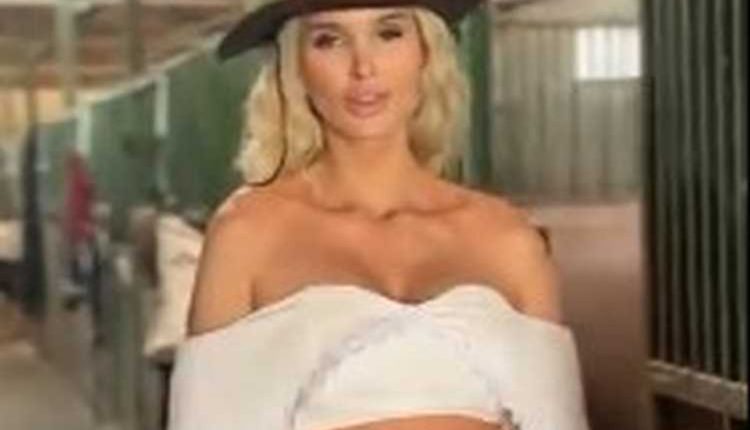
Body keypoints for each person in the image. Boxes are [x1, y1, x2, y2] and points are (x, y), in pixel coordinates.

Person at [169, 1, 590, 429]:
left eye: (389, 33)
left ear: (426, 52)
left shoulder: (509, 238)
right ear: (296, 67)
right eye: (329, 40)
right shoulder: (247, 232)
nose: (363, 67)